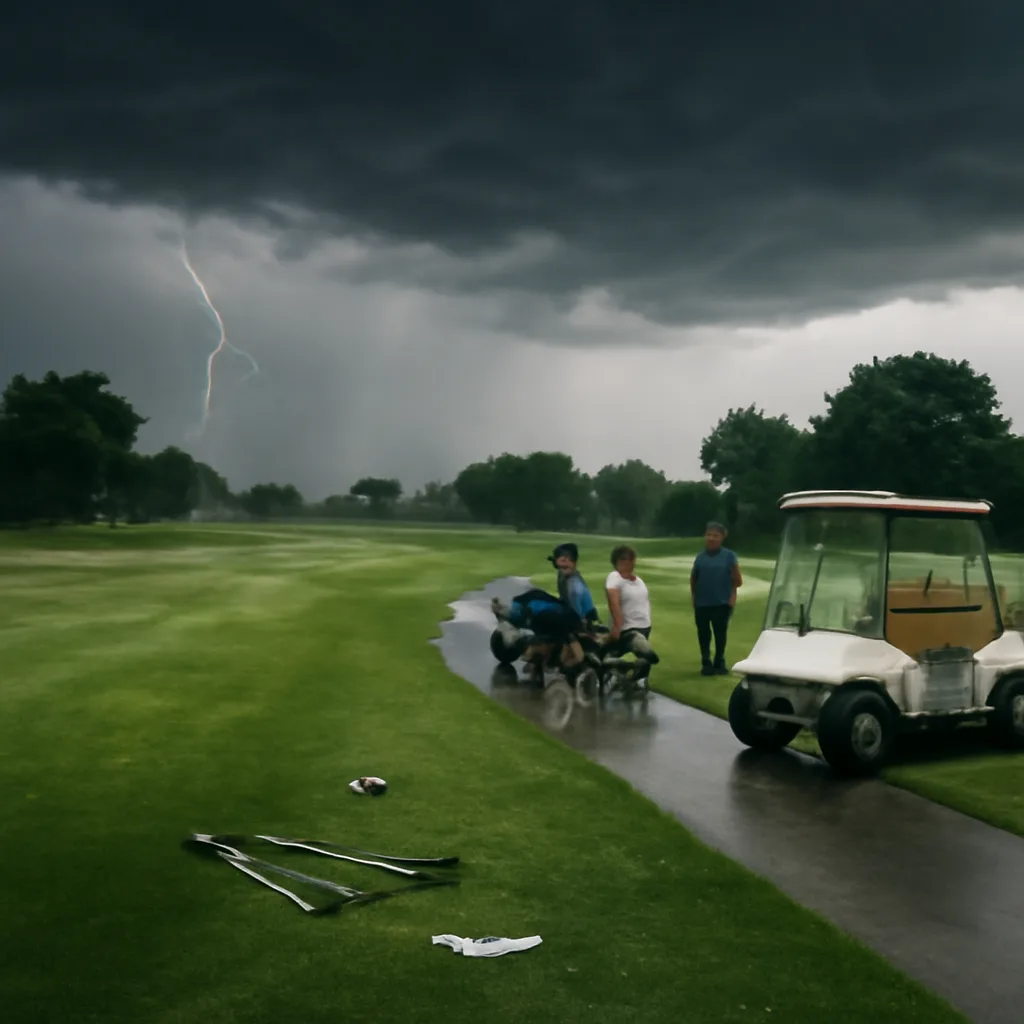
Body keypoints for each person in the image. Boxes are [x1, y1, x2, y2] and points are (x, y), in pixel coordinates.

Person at [690, 522, 742, 676]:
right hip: (702, 603)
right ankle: (706, 663)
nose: (711, 538)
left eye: (715, 535)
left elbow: (737, 580)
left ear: (722, 538)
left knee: (720, 634)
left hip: (722, 603)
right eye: (709, 535)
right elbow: (694, 579)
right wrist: (694, 597)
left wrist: (732, 596)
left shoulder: (729, 556)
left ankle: (719, 661)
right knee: (704, 634)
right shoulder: (700, 557)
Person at [605, 544, 651, 643]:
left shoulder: (614, 576)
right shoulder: (639, 581)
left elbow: (614, 603)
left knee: (604, 653)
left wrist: (616, 628)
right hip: (645, 627)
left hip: (627, 629)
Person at [548, 542, 599, 626]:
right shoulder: (563, 574)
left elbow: (578, 617)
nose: (561, 568)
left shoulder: (574, 589)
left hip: (580, 619)